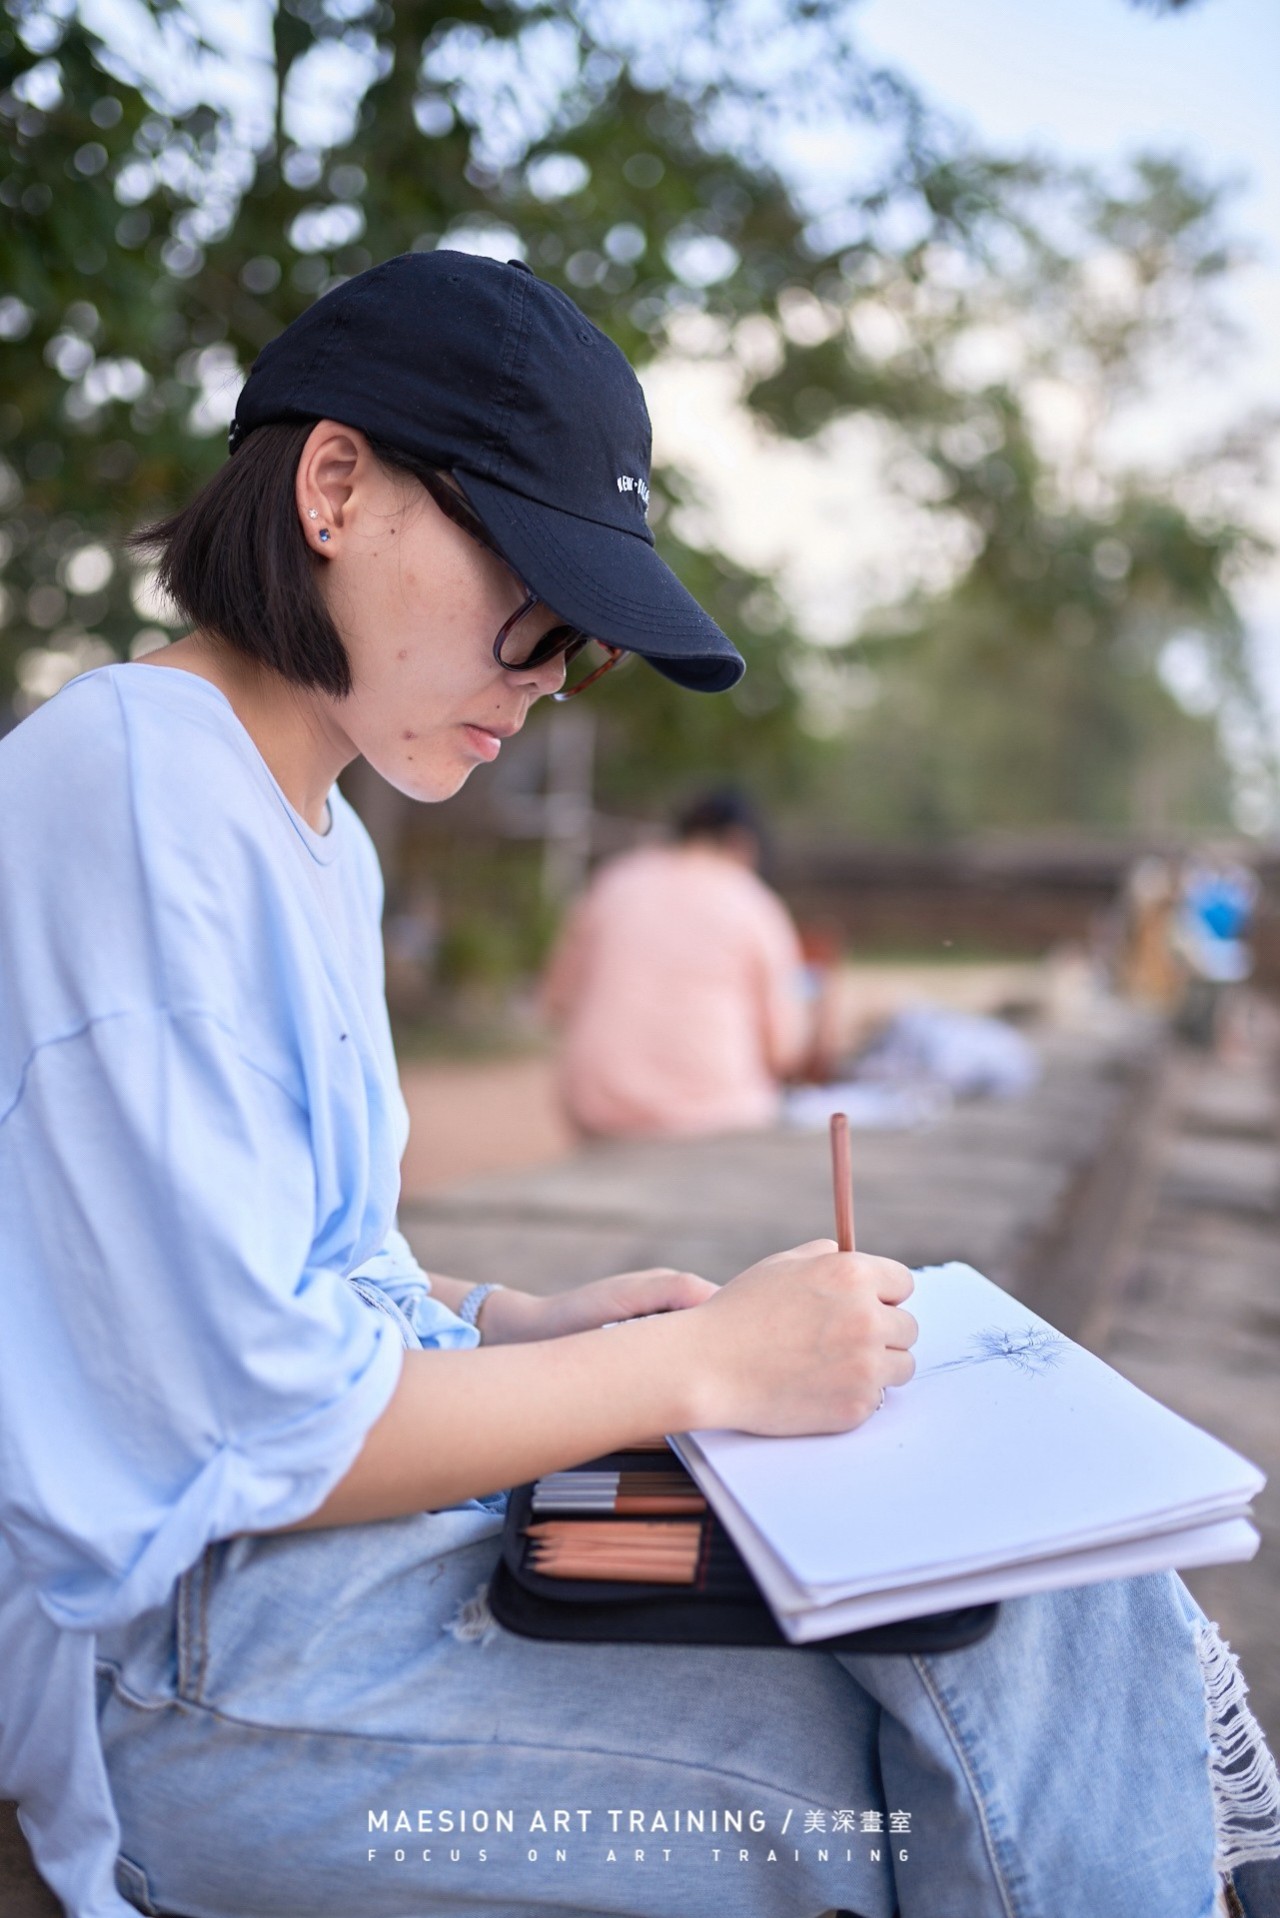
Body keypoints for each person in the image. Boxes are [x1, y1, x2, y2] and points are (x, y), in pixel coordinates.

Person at [0, 251, 1276, 1918]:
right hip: (195, 1670)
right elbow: (264, 1422)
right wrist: (703, 1362)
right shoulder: (131, 793)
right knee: (1019, 1766)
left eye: (578, 651)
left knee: (1053, 1585)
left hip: (310, 1593)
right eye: (537, 608)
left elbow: (261, 1273)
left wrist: (514, 1317)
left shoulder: (298, 832)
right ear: (336, 484)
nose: (540, 682)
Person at [540, 788, 814, 1137]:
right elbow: (785, 1047)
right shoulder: (752, 901)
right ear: (741, 842)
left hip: (600, 1105)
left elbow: (557, 999)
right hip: (717, 1112)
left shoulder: (616, 881)